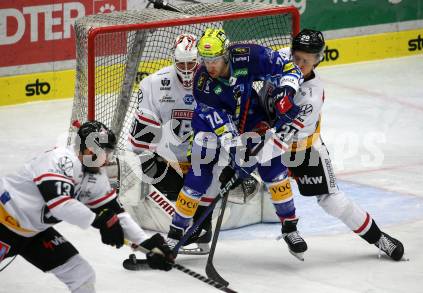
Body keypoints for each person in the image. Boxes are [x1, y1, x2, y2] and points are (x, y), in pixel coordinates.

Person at [165, 28, 308, 260]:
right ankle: (175, 233)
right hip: (209, 127)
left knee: (274, 169)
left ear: (226, 55)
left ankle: (290, 228)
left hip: (251, 116)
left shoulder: (247, 55)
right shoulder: (203, 84)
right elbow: (224, 130)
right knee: (198, 177)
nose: (210, 66)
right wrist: (239, 159)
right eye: (205, 60)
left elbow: (289, 66)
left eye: (215, 59)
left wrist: (286, 92)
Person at [263, 29, 405, 261]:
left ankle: (379, 238)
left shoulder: (311, 96)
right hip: (263, 134)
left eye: (305, 62)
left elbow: (283, 137)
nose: (298, 65)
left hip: (301, 150)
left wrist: (252, 157)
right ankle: (195, 229)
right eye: (296, 58)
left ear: (317, 60)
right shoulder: (281, 57)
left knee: (331, 200)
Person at [0, 121, 174, 293]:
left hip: (33, 233)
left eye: (108, 152)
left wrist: (146, 243)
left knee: (81, 275)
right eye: (101, 152)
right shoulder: (61, 159)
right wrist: (98, 221)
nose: (106, 159)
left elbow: (117, 214)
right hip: (3, 223)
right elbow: (60, 205)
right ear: (85, 148)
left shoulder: (95, 176)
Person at [128, 33, 216, 254]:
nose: (186, 69)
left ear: (200, 59)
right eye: (181, 63)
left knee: (210, 170)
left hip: (204, 156)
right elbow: (140, 137)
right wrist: (146, 150)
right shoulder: (156, 84)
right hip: (171, 158)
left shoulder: (214, 81)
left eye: (191, 63)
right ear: (173, 59)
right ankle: (194, 224)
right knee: (147, 164)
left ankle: (200, 229)